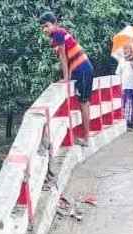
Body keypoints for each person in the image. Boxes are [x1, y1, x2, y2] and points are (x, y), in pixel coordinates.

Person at [40, 12, 92, 147]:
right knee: (82, 102)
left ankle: (86, 139)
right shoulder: (57, 35)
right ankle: (85, 137)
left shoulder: (58, 34)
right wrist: (67, 76)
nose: (44, 29)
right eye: (42, 27)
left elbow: (63, 57)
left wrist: (66, 78)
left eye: (47, 26)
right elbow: (66, 58)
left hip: (82, 69)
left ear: (55, 24)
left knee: (84, 103)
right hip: (79, 69)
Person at [118, 44, 133, 128]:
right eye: (124, 49)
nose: (125, 51)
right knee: (126, 102)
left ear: (131, 49)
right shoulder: (122, 60)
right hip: (125, 85)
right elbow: (118, 72)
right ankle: (127, 121)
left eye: (127, 49)